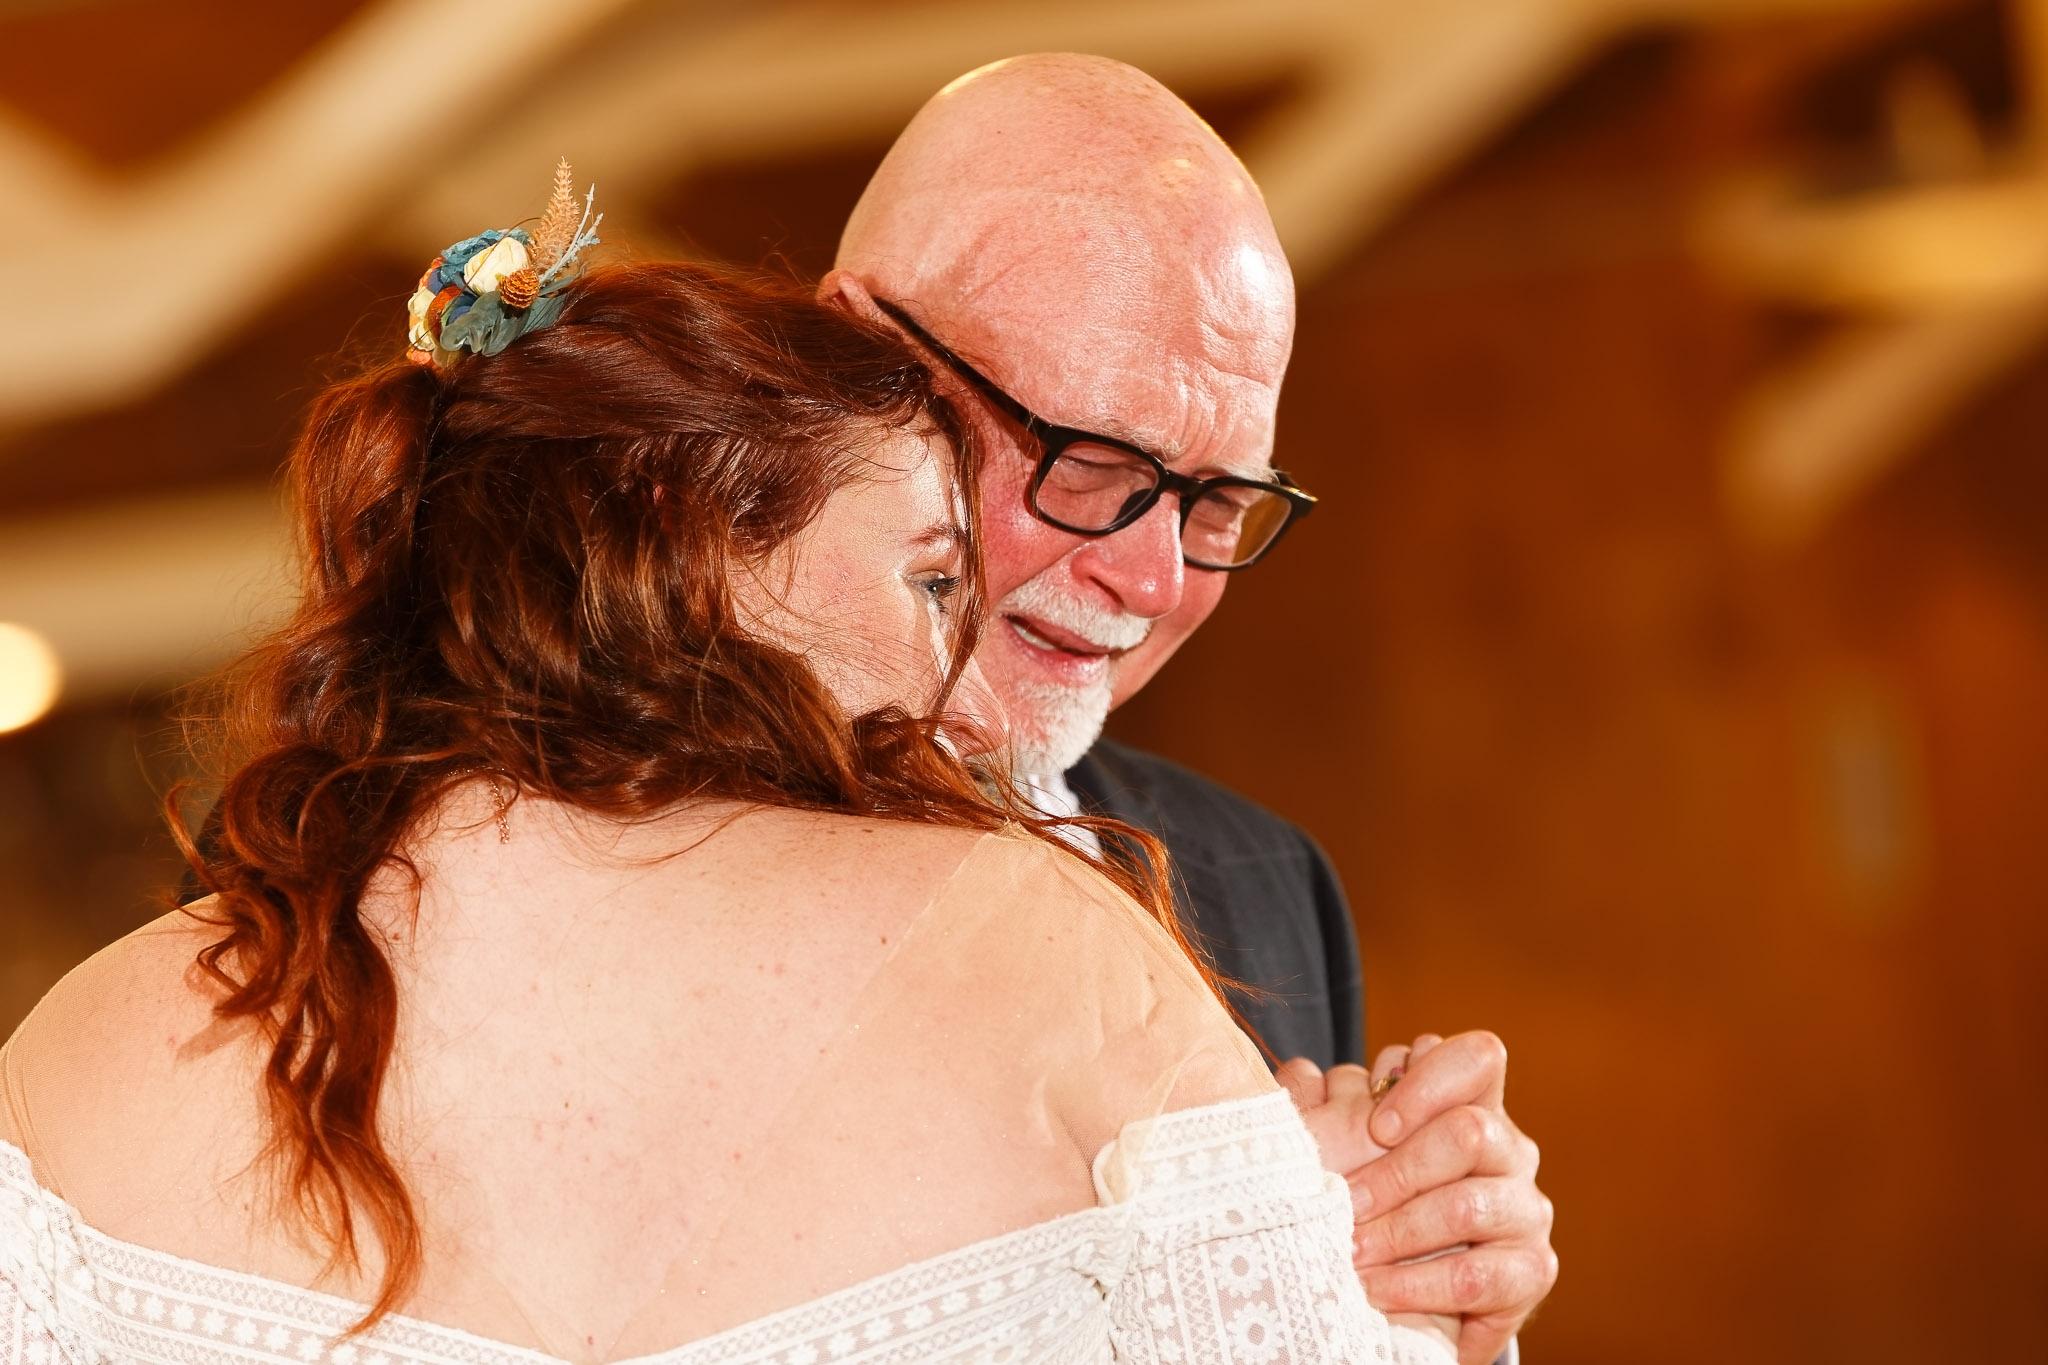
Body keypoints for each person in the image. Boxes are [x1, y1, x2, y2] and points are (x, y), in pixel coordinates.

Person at [0, 182, 1455, 1362]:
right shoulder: (1054, 952)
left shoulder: (80, 1060)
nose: (958, 669)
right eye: (935, 576)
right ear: (689, 529)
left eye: (1218, 503)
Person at [821, 54, 1558, 1360]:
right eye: (1092, 466)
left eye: (1216, 504)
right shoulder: (615, 865)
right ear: (854, 358)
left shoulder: (1267, 883)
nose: (1155, 577)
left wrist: (1438, 1312)